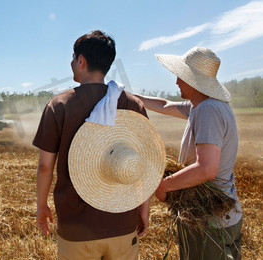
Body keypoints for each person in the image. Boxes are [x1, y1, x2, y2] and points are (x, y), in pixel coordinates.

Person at [33, 30, 150, 259]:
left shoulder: (59, 105)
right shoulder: (132, 104)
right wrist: (143, 209)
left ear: (81, 60)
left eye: (72, 58)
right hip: (122, 222)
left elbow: (45, 166)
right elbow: (143, 165)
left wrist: (41, 206)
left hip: (76, 227)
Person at [135, 46, 243, 260]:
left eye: (180, 77)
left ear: (193, 80)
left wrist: (163, 185)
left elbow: (206, 169)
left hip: (209, 220)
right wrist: (128, 95)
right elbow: (164, 105)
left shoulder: (208, 110)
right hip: (223, 215)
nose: (176, 82)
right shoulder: (202, 105)